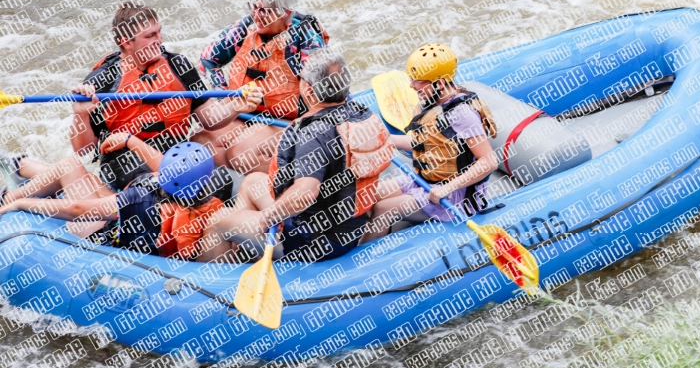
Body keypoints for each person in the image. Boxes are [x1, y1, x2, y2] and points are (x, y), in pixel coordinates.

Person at [200, 49, 394, 263]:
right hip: (347, 225)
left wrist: (270, 216)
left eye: (300, 78)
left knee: (217, 221)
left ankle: (215, 286)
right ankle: (244, 254)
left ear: (309, 91)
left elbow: (305, 193)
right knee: (253, 181)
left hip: (314, 242)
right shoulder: (360, 113)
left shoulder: (314, 133)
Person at [70, 3, 263, 192]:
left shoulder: (178, 65)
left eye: (158, 32)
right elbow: (83, 149)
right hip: (126, 162)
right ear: (127, 42)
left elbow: (209, 118)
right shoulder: (103, 79)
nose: (159, 40)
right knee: (161, 189)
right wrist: (81, 115)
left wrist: (236, 106)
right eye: (150, 36)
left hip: (175, 155)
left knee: (219, 182)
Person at [0, 141, 274, 263]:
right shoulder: (208, 196)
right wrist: (132, 142)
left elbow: (77, 210)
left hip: (100, 234)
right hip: (195, 248)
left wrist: (22, 205)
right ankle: (23, 166)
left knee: (70, 166)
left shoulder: (139, 197)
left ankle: (12, 194)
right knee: (83, 177)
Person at [197, 0, 330, 175]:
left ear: (285, 13)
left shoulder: (305, 38)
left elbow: (322, 88)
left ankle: (301, 177)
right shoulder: (244, 28)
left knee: (240, 154)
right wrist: (223, 95)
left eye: (265, 11)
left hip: (287, 120)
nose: (257, 15)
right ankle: (244, 180)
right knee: (200, 143)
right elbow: (208, 61)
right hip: (245, 113)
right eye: (254, 7)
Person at [368, 44, 499, 239]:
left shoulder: (462, 113)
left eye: (418, 81)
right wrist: (383, 139)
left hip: (457, 195)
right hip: (425, 180)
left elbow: (489, 161)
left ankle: (362, 265)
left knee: (382, 209)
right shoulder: (430, 104)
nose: (411, 85)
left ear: (439, 83)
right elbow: (421, 142)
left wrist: (447, 188)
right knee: (367, 197)